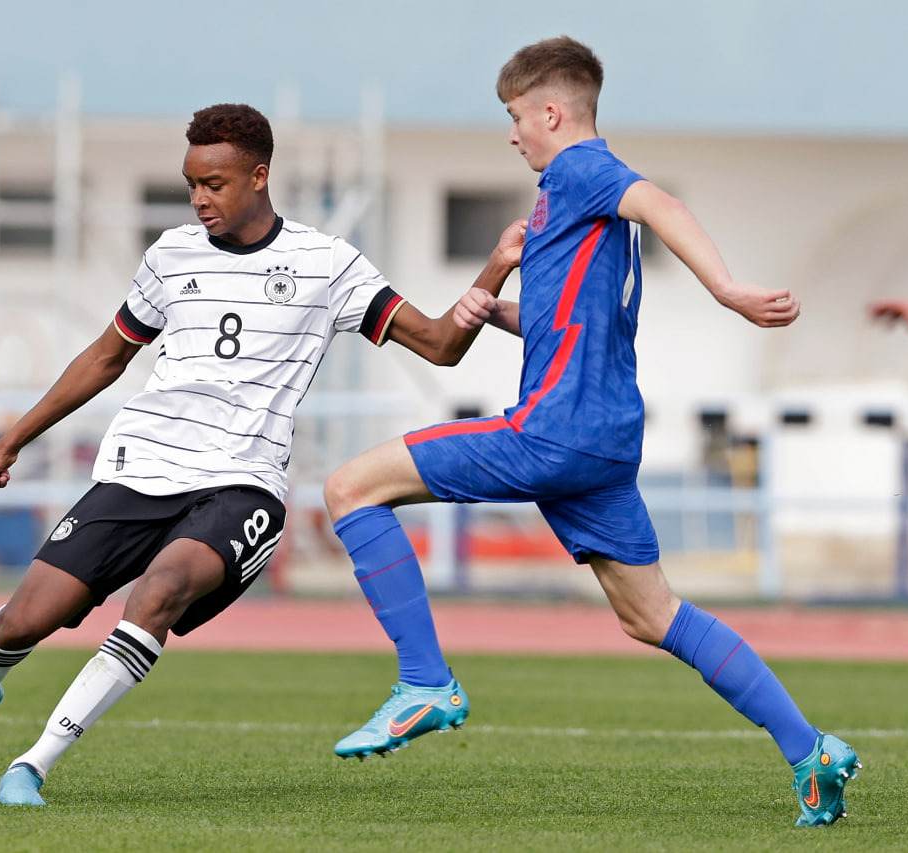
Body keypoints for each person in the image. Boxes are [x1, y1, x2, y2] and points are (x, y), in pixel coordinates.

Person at [0, 103, 526, 806]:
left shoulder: (326, 263)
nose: (200, 197)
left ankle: (33, 763)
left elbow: (441, 343)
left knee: (159, 590)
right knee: (22, 620)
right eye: (191, 182)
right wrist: (12, 440)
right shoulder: (170, 255)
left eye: (216, 183)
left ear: (259, 177)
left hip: (241, 486)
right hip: (140, 471)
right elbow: (107, 356)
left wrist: (497, 266)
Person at [323, 37, 861, 827]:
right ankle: (810, 749)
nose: (513, 134)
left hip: (553, 432)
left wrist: (727, 288)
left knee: (349, 485)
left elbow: (661, 202)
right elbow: (579, 326)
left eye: (515, 117)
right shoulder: (567, 212)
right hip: (603, 443)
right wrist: (501, 308)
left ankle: (425, 682)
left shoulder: (577, 170)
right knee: (653, 615)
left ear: (551, 112)